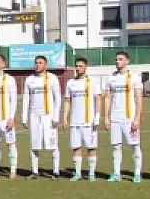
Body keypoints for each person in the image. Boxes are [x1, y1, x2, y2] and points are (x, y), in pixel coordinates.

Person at [104, 51, 144, 183]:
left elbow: (139, 98)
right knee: (116, 146)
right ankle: (116, 173)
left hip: (129, 118)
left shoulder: (134, 77)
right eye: (116, 59)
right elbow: (108, 98)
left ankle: (137, 173)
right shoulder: (111, 78)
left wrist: (137, 118)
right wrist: (106, 117)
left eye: (120, 59)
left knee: (135, 146)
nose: (117, 61)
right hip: (115, 118)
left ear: (127, 61)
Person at [21, 55, 62, 179]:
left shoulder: (52, 78)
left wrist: (56, 117)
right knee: (34, 145)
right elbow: (26, 99)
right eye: (36, 63)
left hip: (48, 116)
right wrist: (24, 117)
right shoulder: (29, 79)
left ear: (46, 65)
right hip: (34, 116)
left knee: (52, 144)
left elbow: (57, 98)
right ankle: (34, 171)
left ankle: (55, 171)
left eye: (40, 63)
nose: (37, 65)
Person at [62, 57, 101, 182]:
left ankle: (91, 174)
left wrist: (97, 116)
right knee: (76, 147)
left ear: (86, 67)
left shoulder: (92, 82)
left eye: (80, 66)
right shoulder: (70, 83)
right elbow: (67, 101)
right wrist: (65, 118)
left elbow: (98, 98)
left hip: (88, 121)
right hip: (75, 121)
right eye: (77, 66)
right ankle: (78, 173)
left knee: (91, 147)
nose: (78, 68)